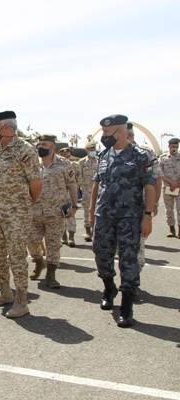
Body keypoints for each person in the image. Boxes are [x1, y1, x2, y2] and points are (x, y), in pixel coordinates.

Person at [89, 114, 155, 328]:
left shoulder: (140, 156)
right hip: (104, 215)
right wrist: (91, 211)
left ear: (122, 132)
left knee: (128, 259)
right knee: (100, 254)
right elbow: (97, 185)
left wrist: (148, 216)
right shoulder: (103, 155)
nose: (105, 135)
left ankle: (127, 306)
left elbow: (149, 186)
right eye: (104, 132)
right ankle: (109, 288)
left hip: (129, 217)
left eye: (108, 132)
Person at [0, 111, 42, 318]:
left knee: (16, 256)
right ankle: (5, 292)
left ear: (8, 128)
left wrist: (25, 205)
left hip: (16, 214)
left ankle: (22, 301)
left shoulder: (25, 149)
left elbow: (36, 183)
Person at [28, 135, 77, 288]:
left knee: (53, 244)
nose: (40, 147)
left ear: (53, 147)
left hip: (56, 212)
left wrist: (74, 206)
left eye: (44, 144)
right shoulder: (32, 163)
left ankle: (51, 275)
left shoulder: (65, 164)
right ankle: (38, 262)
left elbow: (72, 185)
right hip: (34, 211)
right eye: (39, 144)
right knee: (31, 241)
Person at [127, 122, 163, 272]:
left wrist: (154, 204)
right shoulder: (111, 152)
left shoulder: (145, 153)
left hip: (139, 206)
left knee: (138, 244)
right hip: (115, 209)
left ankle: (134, 276)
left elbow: (157, 178)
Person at [78, 141, 98, 241]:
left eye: (93, 148)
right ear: (86, 150)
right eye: (90, 149)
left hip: (98, 191)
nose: (92, 150)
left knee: (98, 212)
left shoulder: (100, 161)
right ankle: (88, 232)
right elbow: (79, 177)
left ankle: (96, 232)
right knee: (87, 211)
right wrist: (82, 188)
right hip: (86, 191)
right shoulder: (82, 162)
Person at [160, 137, 180, 238]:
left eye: (176, 146)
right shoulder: (163, 158)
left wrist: (177, 183)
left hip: (179, 187)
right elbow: (160, 173)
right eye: (173, 146)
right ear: (169, 146)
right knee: (169, 210)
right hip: (168, 188)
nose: (174, 148)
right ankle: (172, 229)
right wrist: (171, 183)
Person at [59, 148, 79, 247]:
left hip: (70, 194)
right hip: (59, 194)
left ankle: (71, 237)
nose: (66, 155)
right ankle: (64, 237)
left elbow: (78, 178)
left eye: (67, 153)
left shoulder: (75, 165)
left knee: (70, 216)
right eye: (63, 154)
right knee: (60, 216)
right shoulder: (57, 165)